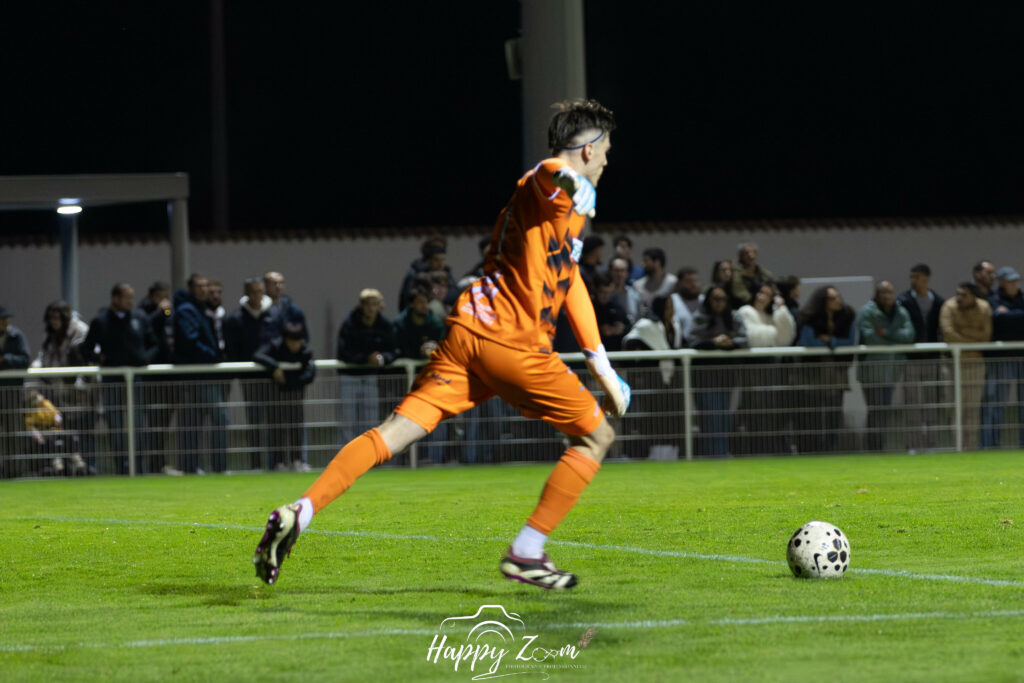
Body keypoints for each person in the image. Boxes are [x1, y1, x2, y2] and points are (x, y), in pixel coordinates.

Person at [254, 99, 629, 590]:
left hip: (467, 337)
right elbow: (544, 174)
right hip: (511, 344)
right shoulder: (555, 186)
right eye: (604, 151)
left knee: (395, 431)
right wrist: (570, 179)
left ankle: (300, 511)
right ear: (587, 149)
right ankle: (527, 553)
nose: (607, 160)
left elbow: (569, 278)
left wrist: (598, 359)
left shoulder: (571, 215)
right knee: (596, 437)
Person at [80, 284, 157, 474]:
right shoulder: (101, 321)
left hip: (136, 378)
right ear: (115, 298)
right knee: (115, 424)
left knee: (138, 423)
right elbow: (86, 349)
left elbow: (154, 343)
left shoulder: (140, 317)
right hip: (112, 378)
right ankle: (121, 468)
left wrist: (145, 358)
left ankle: (140, 468)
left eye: (131, 298)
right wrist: (100, 359)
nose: (130, 302)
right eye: (126, 298)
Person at [224, 277, 283, 469]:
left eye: (260, 291)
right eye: (253, 292)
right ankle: (256, 464)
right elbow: (232, 349)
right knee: (255, 421)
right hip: (250, 378)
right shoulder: (236, 318)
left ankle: (276, 462)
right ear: (246, 294)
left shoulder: (275, 314)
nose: (257, 296)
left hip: (273, 375)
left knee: (276, 420)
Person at [173, 274, 228, 474]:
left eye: (206, 286)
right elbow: (191, 341)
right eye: (200, 286)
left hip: (202, 374)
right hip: (198, 374)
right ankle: (213, 467)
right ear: (191, 288)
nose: (204, 290)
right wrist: (214, 355)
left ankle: (193, 467)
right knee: (217, 418)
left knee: (193, 422)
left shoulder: (201, 310)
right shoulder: (188, 310)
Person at [29, 301, 90, 475]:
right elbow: (43, 357)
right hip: (58, 391)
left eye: (57, 318)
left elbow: (85, 362)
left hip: (79, 392)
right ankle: (61, 464)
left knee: (80, 428)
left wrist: (81, 386)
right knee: (59, 427)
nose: (53, 322)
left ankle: (82, 465)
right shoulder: (50, 335)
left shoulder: (80, 331)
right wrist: (34, 371)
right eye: (50, 318)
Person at [687, 286, 749, 457]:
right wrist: (713, 342)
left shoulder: (734, 316)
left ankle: (721, 452)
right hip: (705, 376)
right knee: (710, 417)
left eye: (722, 298)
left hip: (728, 375)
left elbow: (745, 339)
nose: (719, 303)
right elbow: (691, 339)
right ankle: (713, 454)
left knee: (724, 417)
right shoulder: (700, 317)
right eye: (715, 299)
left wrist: (730, 342)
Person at [735, 282, 796, 454]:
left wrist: (782, 311)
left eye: (768, 295)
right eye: (761, 292)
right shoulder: (746, 311)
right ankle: (753, 449)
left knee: (772, 410)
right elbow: (753, 337)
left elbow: (785, 338)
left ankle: (772, 448)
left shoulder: (772, 316)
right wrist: (772, 334)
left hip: (773, 367)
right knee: (754, 408)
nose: (763, 297)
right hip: (754, 366)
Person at [794, 286, 857, 453]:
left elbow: (849, 341)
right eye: (832, 298)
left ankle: (831, 448)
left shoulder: (847, 317)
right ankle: (811, 450)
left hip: (836, 373)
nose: (837, 301)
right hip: (813, 373)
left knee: (833, 415)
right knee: (812, 415)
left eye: (838, 297)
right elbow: (808, 341)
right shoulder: (809, 318)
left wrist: (831, 341)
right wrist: (831, 343)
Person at [856, 281, 916, 452]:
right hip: (872, 371)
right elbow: (870, 337)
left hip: (892, 371)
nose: (886, 296)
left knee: (885, 411)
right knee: (875, 411)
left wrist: (888, 333)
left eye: (889, 292)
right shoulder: (867, 312)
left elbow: (909, 335)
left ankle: (880, 446)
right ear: (876, 294)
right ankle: (874, 448)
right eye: (883, 292)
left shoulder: (900, 311)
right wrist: (893, 339)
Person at [335, 288, 399, 447]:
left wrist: (383, 358)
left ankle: (368, 454)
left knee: (370, 420)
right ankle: (346, 457)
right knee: (347, 420)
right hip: (349, 377)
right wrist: (365, 359)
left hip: (371, 377)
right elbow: (343, 352)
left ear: (380, 306)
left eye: (374, 304)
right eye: (367, 304)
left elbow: (395, 350)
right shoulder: (349, 323)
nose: (371, 308)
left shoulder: (384, 325)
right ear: (361, 305)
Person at [897, 264, 946, 452]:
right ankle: (913, 444)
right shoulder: (904, 300)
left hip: (933, 357)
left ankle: (932, 443)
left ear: (926, 278)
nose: (913, 280)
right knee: (912, 403)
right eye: (911, 277)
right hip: (912, 359)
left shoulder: (938, 301)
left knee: (932, 402)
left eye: (917, 277)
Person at [254, 322, 316, 471]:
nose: (295, 345)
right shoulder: (275, 347)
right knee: (276, 428)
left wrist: (290, 381)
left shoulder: (305, 352)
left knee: (296, 427)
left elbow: (310, 372)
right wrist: (274, 367)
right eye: (291, 341)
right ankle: (278, 462)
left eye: (298, 341)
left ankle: (297, 460)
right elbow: (258, 355)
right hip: (276, 395)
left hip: (295, 395)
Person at [939, 283, 991, 450]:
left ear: (974, 296)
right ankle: (957, 446)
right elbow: (948, 334)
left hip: (975, 364)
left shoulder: (984, 307)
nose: (959, 298)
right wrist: (972, 339)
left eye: (964, 295)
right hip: (953, 364)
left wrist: (962, 334)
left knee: (972, 408)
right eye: (958, 294)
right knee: (954, 407)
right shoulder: (949, 306)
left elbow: (985, 336)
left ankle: (970, 447)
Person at [981, 266, 1024, 449]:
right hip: (1001, 358)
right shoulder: (992, 300)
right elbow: (997, 321)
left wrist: (1009, 316)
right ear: (1002, 282)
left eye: (1015, 281)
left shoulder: (1021, 299)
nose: (1013, 285)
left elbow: (1007, 319)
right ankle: (991, 444)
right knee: (997, 401)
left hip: (1021, 356)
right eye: (1009, 281)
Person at [0, 305, 31, 477]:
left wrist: (5, 358)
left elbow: (25, 359)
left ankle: (16, 470)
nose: (5, 323)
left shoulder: (16, 336)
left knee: (14, 431)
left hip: (12, 390)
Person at [633, 247, 677, 317]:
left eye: (646, 261)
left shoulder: (673, 283)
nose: (642, 265)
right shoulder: (638, 284)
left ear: (657, 262)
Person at [263, 271, 308, 340]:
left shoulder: (293, 310)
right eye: (274, 283)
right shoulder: (257, 309)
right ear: (265, 286)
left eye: (281, 283)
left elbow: (303, 338)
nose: (278, 286)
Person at [729, 242, 774, 309]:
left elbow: (770, 287)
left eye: (753, 252)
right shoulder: (735, 271)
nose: (751, 256)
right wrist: (755, 301)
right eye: (747, 253)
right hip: (741, 306)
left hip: (761, 304)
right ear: (741, 256)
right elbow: (739, 291)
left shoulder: (762, 273)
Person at [608, 256, 642, 325]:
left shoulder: (634, 295)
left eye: (622, 270)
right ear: (611, 272)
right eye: (616, 270)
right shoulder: (605, 294)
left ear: (627, 273)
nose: (619, 274)